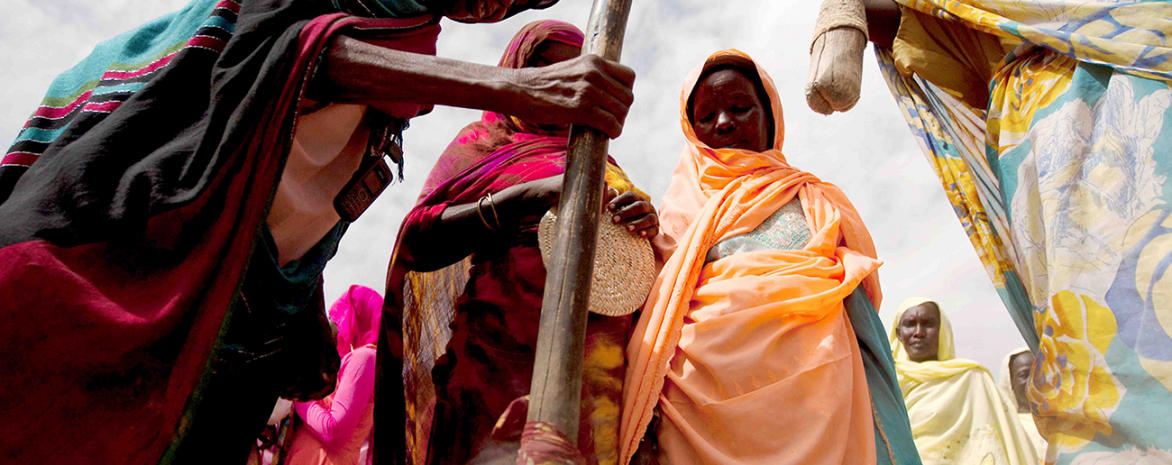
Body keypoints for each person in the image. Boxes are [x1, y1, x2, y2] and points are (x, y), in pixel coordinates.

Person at [0, 0, 635, 462]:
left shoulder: (417, 40)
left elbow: (308, 179)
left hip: (254, 311)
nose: (502, 4)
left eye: (523, 2)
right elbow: (292, 55)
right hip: (140, 252)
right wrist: (517, 91)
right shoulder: (454, 108)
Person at [858, 0, 1172, 460]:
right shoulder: (980, 20)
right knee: (1102, 349)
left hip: (1152, 126)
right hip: (1049, 188)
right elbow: (895, 25)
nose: (918, 332)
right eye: (910, 324)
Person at [619, 49, 919, 465]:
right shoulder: (673, 210)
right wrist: (636, 234)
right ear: (691, 129)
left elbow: (860, 314)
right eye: (707, 116)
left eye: (741, 107)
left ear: (770, 114)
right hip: (700, 405)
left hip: (825, 395)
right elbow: (653, 310)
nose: (724, 122)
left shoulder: (814, 197)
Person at [381, 20, 658, 465]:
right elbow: (418, 239)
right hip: (498, 354)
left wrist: (643, 220)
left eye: (570, 74)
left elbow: (643, 262)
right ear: (515, 73)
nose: (557, 84)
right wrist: (518, 199)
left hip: (600, 362)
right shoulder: (486, 142)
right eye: (542, 70)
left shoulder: (597, 155)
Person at [890, 297, 1035, 464]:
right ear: (899, 333)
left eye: (928, 323)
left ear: (942, 330)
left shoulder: (972, 379)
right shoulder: (885, 384)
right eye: (910, 324)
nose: (919, 332)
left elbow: (1002, 441)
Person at [282, 285, 383, 465]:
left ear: (354, 318)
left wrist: (298, 396)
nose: (329, 326)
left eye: (336, 318)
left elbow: (334, 432)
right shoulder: (356, 360)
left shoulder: (364, 359)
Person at [998, 348, 1047, 464]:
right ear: (1010, 383)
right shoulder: (1006, 428)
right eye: (1024, 374)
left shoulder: (1068, 424)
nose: (1034, 380)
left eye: (1039, 372)